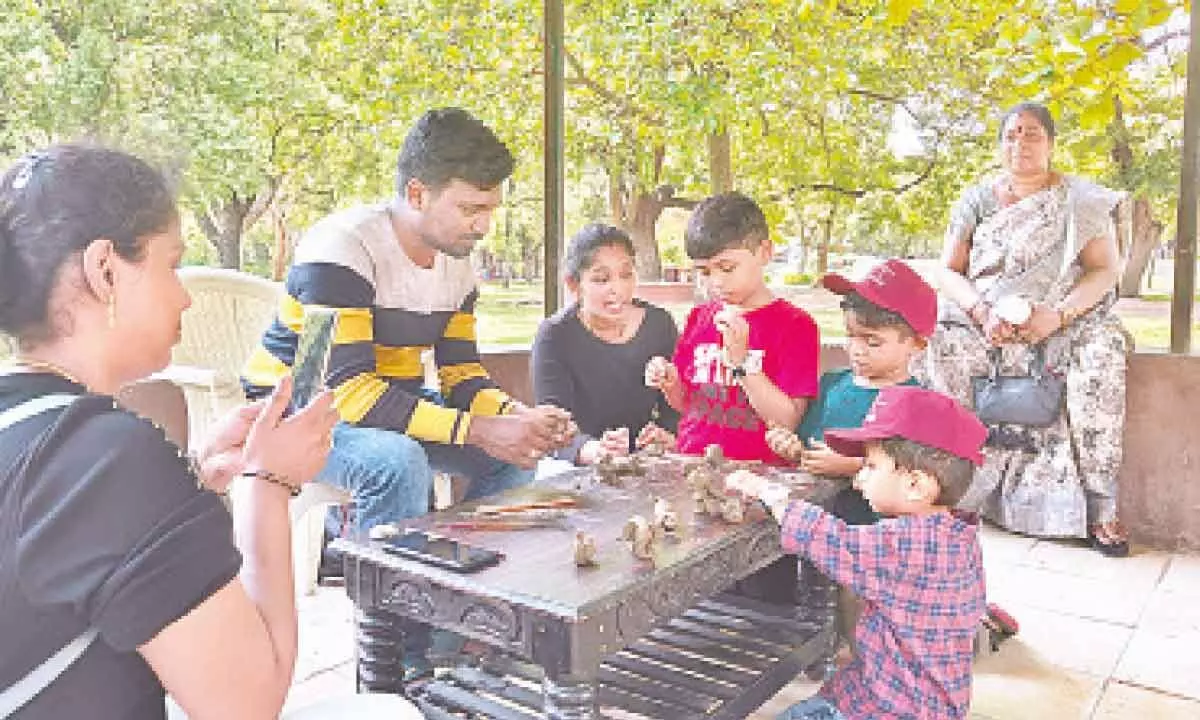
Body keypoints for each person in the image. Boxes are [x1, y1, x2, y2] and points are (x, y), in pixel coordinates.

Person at [0, 145, 339, 718]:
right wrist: (269, 483)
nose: (184, 295)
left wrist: (194, 487)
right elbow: (247, 704)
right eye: (172, 263)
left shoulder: (41, 436)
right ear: (104, 269)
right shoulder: (107, 458)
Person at [242, 107, 571, 534]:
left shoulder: (457, 265)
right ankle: (388, 597)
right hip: (293, 410)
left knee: (515, 451)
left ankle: (463, 577)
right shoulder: (342, 248)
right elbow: (350, 393)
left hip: (391, 399)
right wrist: (482, 429)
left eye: (491, 209)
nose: (484, 226)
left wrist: (519, 417)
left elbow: (462, 377)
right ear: (417, 194)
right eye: (470, 208)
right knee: (397, 462)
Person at [923, 102, 1131, 556]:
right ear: (1000, 145)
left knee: (1102, 357)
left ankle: (1100, 507)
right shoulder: (976, 200)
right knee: (936, 343)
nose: (1021, 143)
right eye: (1011, 135)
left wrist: (1054, 318)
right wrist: (981, 312)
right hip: (987, 322)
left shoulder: (1082, 202)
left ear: (1052, 144)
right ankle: (952, 488)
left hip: (1060, 320)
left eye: (1032, 133)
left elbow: (1103, 271)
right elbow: (948, 271)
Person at [731, 386, 988, 720]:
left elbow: (834, 541)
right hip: (923, 696)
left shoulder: (906, 543)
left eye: (869, 466)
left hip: (895, 708)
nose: (858, 480)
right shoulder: (958, 535)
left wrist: (769, 493)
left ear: (916, 486)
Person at [646, 191, 820, 463]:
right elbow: (687, 404)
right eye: (704, 272)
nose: (715, 282)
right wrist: (669, 381)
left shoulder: (795, 326)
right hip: (692, 462)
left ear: (764, 252)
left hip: (756, 473)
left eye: (726, 268)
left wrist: (743, 363)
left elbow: (786, 420)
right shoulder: (700, 317)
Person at [768, 259, 933, 525]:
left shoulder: (919, 404)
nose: (856, 349)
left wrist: (854, 466)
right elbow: (808, 445)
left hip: (870, 539)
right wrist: (792, 447)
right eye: (850, 335)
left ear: (916, 343)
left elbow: (920, 477)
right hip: (815, 527)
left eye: (872, 341)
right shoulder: (832, 384)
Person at [531, 224, 678, 466]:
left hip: (646, 461)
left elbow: (675, 409)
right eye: (601, 279)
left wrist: (665, 435)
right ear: (573, 285)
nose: (617, 289)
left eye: (626, 275)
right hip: (577, 463)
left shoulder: (659, 324)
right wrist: (595, 450)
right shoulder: (555, 335)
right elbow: (553, 425)